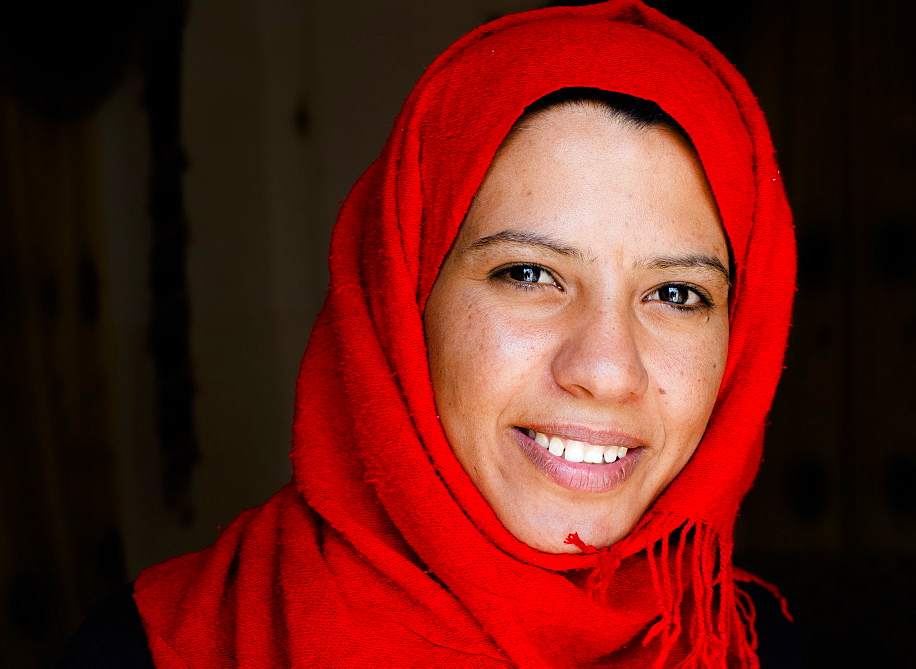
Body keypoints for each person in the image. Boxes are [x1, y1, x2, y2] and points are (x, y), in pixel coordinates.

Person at [63, 1, 799, 665]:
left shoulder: (750, 649)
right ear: (401, 300)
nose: (606, 368)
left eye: (676, 292)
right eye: (528, 274)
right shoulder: (148, 653)